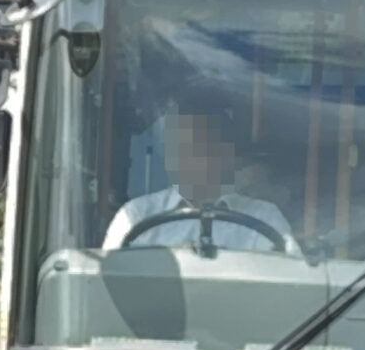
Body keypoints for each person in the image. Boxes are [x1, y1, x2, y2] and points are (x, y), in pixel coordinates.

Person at [102, 105, 295, 253]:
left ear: (226, 154)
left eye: (201, 146)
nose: (187, 158)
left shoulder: (265, 218)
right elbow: (107, 287)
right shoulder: (136, 216)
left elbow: (291, 289)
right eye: (178, 147)